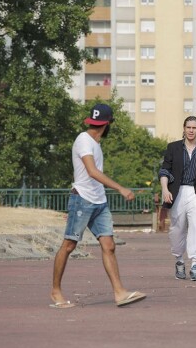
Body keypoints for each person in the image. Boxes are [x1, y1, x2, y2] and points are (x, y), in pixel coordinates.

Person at [51, 103, 146, 308]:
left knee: (109, 246)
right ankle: (55, 291)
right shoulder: (83, 140)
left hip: (99, 201)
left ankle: (120, 293)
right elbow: (92, 171)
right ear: (107, 124)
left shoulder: (96, 142)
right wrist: (120, 188)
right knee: (69, 245)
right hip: (82, 199)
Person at [159, 116, 196, 281]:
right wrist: (165, 189)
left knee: (195, 227)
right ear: (184, 129)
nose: (191, 131)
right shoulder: (173, 148)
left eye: (194, 128)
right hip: (176, 192)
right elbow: (164, 171)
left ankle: (194, 265)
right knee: (177, 229)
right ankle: (179, 260)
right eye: (188, 127)